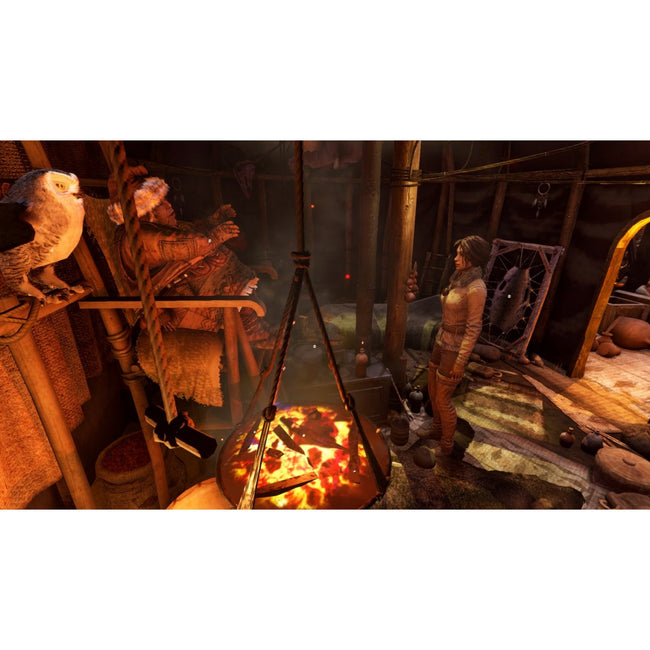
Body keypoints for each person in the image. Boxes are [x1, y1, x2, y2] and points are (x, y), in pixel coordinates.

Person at [106, 171, 275, 349]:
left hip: (182, 288)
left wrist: (213, 222)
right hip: (172, 304)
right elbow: (183, 244)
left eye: (166, 200)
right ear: (145, 212)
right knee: (233, 291)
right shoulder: (140, 237)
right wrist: (214, 237)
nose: (169, 205)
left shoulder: (153, 226)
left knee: (236, 287)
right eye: (161, 203)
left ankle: (257, 328)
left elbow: (189, 230)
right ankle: (255, 335)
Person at [416, 235, 490, 455]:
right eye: (456, 253)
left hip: (454, 348)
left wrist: (460, 361)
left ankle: (447, 444)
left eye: (461, 254)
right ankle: (436, 430)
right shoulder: (458, 279)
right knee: (432, 391)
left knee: (443, 398)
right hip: (442, 341)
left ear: (473, 257)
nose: (456, 258)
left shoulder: (476, 288)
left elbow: (473, 328)